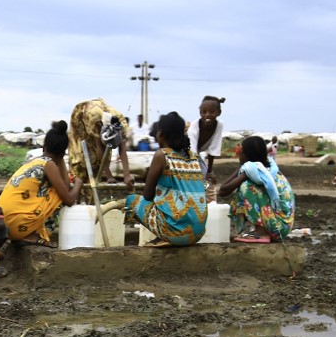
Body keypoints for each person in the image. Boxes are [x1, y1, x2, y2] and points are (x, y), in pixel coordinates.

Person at [123, 112, 208, 247]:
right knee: (171, 199)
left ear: (161, 133)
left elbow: (147, 195)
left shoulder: (162, 155)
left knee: (131, 201)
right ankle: (165, 234)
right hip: (197, 233)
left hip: (177, 234)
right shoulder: (193, 156)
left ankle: (163, 236)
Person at [0, 120, 82, 247]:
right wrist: (78, 184)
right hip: (15, 226)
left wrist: (60, 160)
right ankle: (29, 236)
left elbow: (64, 185)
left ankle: (25, 233)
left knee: (54, 190)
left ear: (44, 146)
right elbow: (68, 199)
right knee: (56, 194)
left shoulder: (35, 162)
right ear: (63, 152)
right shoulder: (49, 165)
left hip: (2, 226)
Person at [218, 135, 295, 243]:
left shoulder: (253, 172)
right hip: (284, 227)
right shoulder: (269, 169)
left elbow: (223, 191)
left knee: (246, 187)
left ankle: (261, 233)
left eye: (241, 152)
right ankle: (260, 230)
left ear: (245, 155)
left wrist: (241, 167)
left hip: (278, 228)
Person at [68, 98, 133, 190]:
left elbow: (122, 149)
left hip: (100, 119)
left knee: (97, 166)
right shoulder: (94, 119)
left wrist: (127, 175)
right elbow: (98, 147)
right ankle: (77, 195)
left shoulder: (121, 123)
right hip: (81, 121)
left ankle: (90, 196)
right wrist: (109, 176)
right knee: (80, 162)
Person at [188, 95, 225, 192]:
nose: (207, 115)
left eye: (212, 112)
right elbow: (192, 153)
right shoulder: (194, 126)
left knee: (206, 180)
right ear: (200, 113)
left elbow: (213, 149)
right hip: (186, 153)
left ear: (219, 112)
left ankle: (203, 198)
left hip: (196, 155)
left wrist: (209, 171)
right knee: (192, 179)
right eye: (204, 112)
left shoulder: (219, 125)